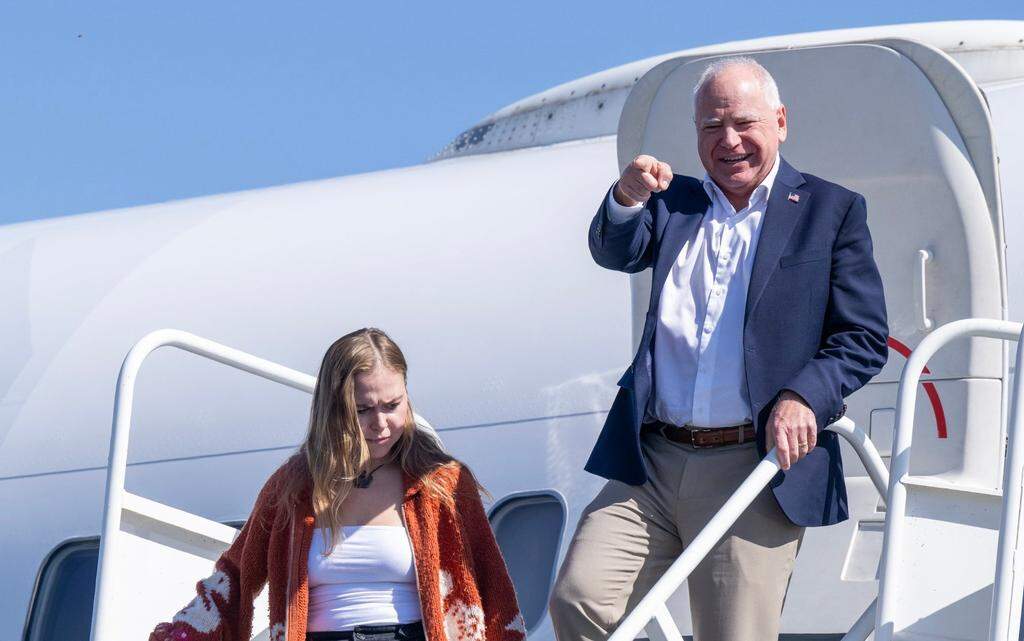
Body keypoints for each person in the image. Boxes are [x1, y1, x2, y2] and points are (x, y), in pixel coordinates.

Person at [548, 57, 889, 641]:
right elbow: (615, 250)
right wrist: (626, 196)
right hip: (652, 461)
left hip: (752, 463)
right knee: (581, 598)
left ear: (780, 122)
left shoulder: (831, 212)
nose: (728, 141)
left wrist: (804, 396)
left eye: (744, 123)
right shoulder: (671, 202)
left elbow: (862, 337)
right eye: (711, 127)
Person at [149, 328, 527, 641]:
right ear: (334, 409)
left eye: (392, 405)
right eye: (362, 410)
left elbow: (495, 594)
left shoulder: (441, 483)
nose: (380, 424)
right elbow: (233, 578)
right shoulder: (294, 488)